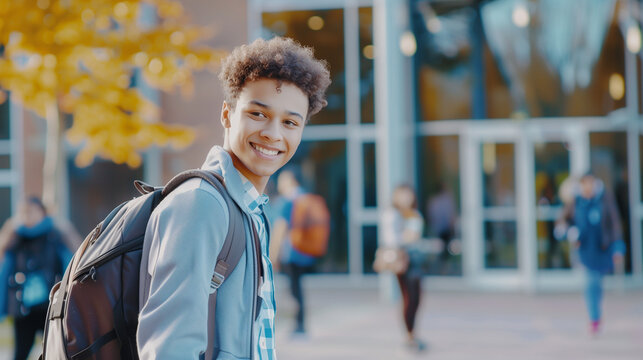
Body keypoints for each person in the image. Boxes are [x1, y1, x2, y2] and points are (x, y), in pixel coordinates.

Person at [136, 37, 331, 359]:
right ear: (227, 114)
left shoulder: (249, 209)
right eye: (258, 114)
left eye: (290, 122)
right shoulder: (201, 204)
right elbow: (170, 347)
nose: (273, 133)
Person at [0, 197, 77, 360]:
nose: (27, 216)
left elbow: (70, 264)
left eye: (31, 211)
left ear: (42, 212)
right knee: (20, 353)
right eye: (24, 212)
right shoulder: (15, 238)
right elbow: (4, 270)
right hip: (23, 308)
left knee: (56, 351)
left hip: (49, 307)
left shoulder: (56, 235)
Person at [556, 172, 625, 336]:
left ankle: (595, 314)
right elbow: (563, 222)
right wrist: (569, 232)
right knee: (591, 283)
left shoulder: (604, 199)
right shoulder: (576, 201)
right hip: (585, 251)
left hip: (602, 249)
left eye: (591, 183)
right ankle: (594, 318)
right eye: (585, 183)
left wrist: (617, 247)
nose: (588, 187)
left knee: (597, 284)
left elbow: (614, 224)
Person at [270, 167, 325, 336]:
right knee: (298, 287)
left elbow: (280, 229)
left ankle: (299, 325)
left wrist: (272, 255)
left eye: (283, 179)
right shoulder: (305, 197)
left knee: (294, 289)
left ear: (291, 180)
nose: (280, 183)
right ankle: (300, 323)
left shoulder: (287, 201)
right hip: (304, 250)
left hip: (291, 252)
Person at [382, 184, 426, 352]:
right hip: (401, 261)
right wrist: (407, 236)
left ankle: (413, 333)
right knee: (408, 298)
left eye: (408, 195)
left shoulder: (414, 215)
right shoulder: (392, 215)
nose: (405, 199)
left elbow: (415, 237)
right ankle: (409, 335)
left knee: (417, 299)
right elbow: (393, 239)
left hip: (415, 260)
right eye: (402, 195)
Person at [426, 182, 456, 274]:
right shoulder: (446, 200)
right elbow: (451, 214)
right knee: (444, 250)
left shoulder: (433, 200)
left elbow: (431, 215)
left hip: (439, 227)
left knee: (443, 250)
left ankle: (442, 268)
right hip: (444, 227)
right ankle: (443, 268)